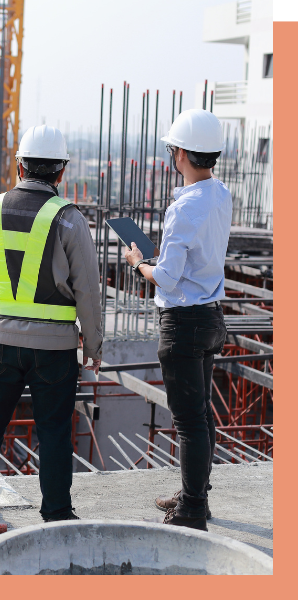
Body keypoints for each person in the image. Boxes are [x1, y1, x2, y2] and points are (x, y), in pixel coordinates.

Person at [0, 125, 103, 523]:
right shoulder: (69, 219)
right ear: (61, 172)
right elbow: (88, 293)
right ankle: (57, 512)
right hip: (54, 348)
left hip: (0, 341)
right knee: (55, 430)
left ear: (20, 165)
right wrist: (93, 348)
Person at [124, 109, 230, 532]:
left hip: (183, 321)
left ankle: (192, 510)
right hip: (211, 316)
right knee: (202, 415)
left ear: (180, 152)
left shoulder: (183, 207)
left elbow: (166, 277)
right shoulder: (220, 193)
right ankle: (193, 496)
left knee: (189, 421)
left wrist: (138, 263)